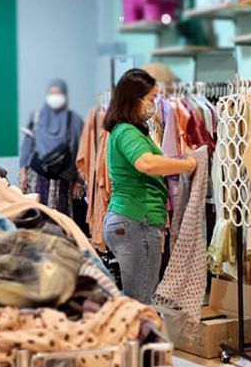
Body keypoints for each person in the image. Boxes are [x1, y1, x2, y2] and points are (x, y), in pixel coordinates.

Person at [102, 69, 195, 304]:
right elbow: (146, 163)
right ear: (135, 99)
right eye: (151, 98)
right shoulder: (127, 131)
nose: (154, 104)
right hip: (136, 220)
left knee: (140, 296)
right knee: (141, 300)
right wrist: (186, 165)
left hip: (131, 219)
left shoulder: (127, 130)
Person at [19, 79, 84, 217]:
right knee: (36, 217)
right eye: (51, 93)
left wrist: (79, 181)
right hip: (37, 177)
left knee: (60, 219)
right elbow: (27, 146)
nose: (55, 97)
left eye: (58, 93)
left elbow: (81, 151)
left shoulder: (74, 120)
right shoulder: (36, 116)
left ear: (65, 95)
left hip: (64, 179)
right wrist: (22, 172)